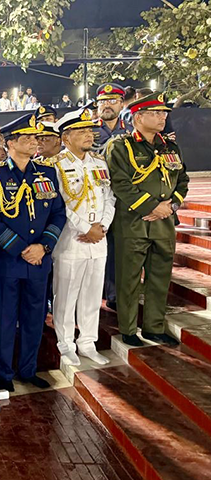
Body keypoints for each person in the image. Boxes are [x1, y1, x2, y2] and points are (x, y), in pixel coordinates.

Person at [0, 113, 66, 392]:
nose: (34, 142)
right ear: (10, 143)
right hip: (6, 261)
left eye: (35, 137)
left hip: (39, 260)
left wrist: (44, 246)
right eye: (27, 137)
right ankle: (3, 372)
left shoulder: (46, 173)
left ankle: (28, 369)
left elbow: (58, 213)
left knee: (34, 318)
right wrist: (21, 249)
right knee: (2, 318)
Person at [107, 92, 189, 347]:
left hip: (164, 224)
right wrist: (152, 207)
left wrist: (171, 206)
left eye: (163, 113)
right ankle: (128, 329)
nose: (162, 117)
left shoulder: (170, 147)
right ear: (138, 117)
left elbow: (182, 180)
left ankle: (154, 327)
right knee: (129, 279)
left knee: (160, 278)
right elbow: (120, 183)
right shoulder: (121, 146)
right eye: (155, 113)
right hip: (134, 223)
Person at [51, 108, 116, 366]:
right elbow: (59, 204)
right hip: (71, 241)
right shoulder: (56, 165)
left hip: (99, 239)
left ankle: (88, 342)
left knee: (92, 295)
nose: (90, 135)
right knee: (66, 296)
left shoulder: (99, 163)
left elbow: (109, 197)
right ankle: (65, 344)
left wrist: (103, 226)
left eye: (90, 130)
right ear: (66, 137)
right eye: (82, 131)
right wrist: (84, 228)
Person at [94, 83, 134, 313]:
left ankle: (115, 294)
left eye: (112, 101)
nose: (106, 105)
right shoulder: (87, 131)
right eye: (102, 101)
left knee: (121, 249)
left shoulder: (132, 130)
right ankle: (100, 291)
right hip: (96, 199)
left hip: (125, 199)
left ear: (121, 104)